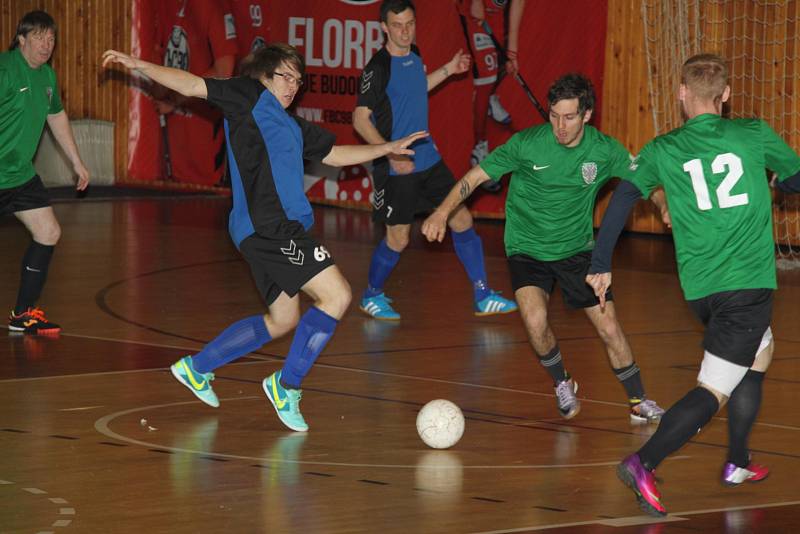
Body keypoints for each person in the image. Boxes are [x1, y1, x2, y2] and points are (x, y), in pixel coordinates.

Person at [102, 43, 427, 432]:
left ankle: (196, 367)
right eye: (285, 76)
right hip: (271, 225)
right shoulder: (248, 95)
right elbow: (191, 85)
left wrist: (386, 148)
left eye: (298, 79)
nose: (293, 85)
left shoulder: (291, 124)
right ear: (265, 77)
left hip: (262, 229)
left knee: (283, 318)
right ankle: (286, 385)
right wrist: (139, 64)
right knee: (337, 295)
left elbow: (335, 153)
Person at [586, 53, 800, 516]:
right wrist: (783, 179)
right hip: (746, 286)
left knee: (760, 352)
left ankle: (737, 461)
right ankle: (644, 462)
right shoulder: (753, 133)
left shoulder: (663, 149)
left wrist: (601, 260)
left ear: (682, 95)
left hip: (701, 290)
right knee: (713, 391)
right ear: (724, 96)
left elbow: (623, 196)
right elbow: (797, 178)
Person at [422, 73, 665, 423]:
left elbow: (643, 178)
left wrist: (663, 204)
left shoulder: (603, 149)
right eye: (553, 115)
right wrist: (442, 212)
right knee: (535, 323)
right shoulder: (528, 144)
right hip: (526, 247)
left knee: (610, 328)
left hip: (577, 251)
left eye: (569, 117)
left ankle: (638, 401)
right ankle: (561, 382)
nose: (560, 126)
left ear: (586, 115)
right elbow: (475, 177)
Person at [355, 0, 518, 321]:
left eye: (410, 24)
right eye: (398, 26)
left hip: (428, 157)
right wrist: (392, 152)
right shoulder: (378, 67)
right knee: (398, 238)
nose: (405, 31)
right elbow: (360, 120)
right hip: (396, 166)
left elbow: (416, 89)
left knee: (461, 220)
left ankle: (483, 295)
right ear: (384, 28)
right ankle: (371, 295)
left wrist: (448, 69)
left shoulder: (413, 54)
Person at [1, 10, 90, 335]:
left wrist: (76, 163)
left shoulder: (46, 76)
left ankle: (23, 313)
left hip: (20, 176)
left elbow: (57, 117)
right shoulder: (5, 70)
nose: (46, 43)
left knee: (48, 232)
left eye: (51, 37)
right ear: (21, 38)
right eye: (39, 36)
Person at [155, 0, 238, 185]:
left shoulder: (213, 7)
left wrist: (175, 99)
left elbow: (224, 71)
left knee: (201, 207)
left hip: (202, 147)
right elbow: (155, 55)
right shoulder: (161, 5)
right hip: (169, 149)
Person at [455, 0, 516, 193]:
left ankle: (491, 95)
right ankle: (479, 149)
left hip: (496, 12)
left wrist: (513, 51)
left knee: (502, 60)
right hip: (474, 10)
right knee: (486, 73)